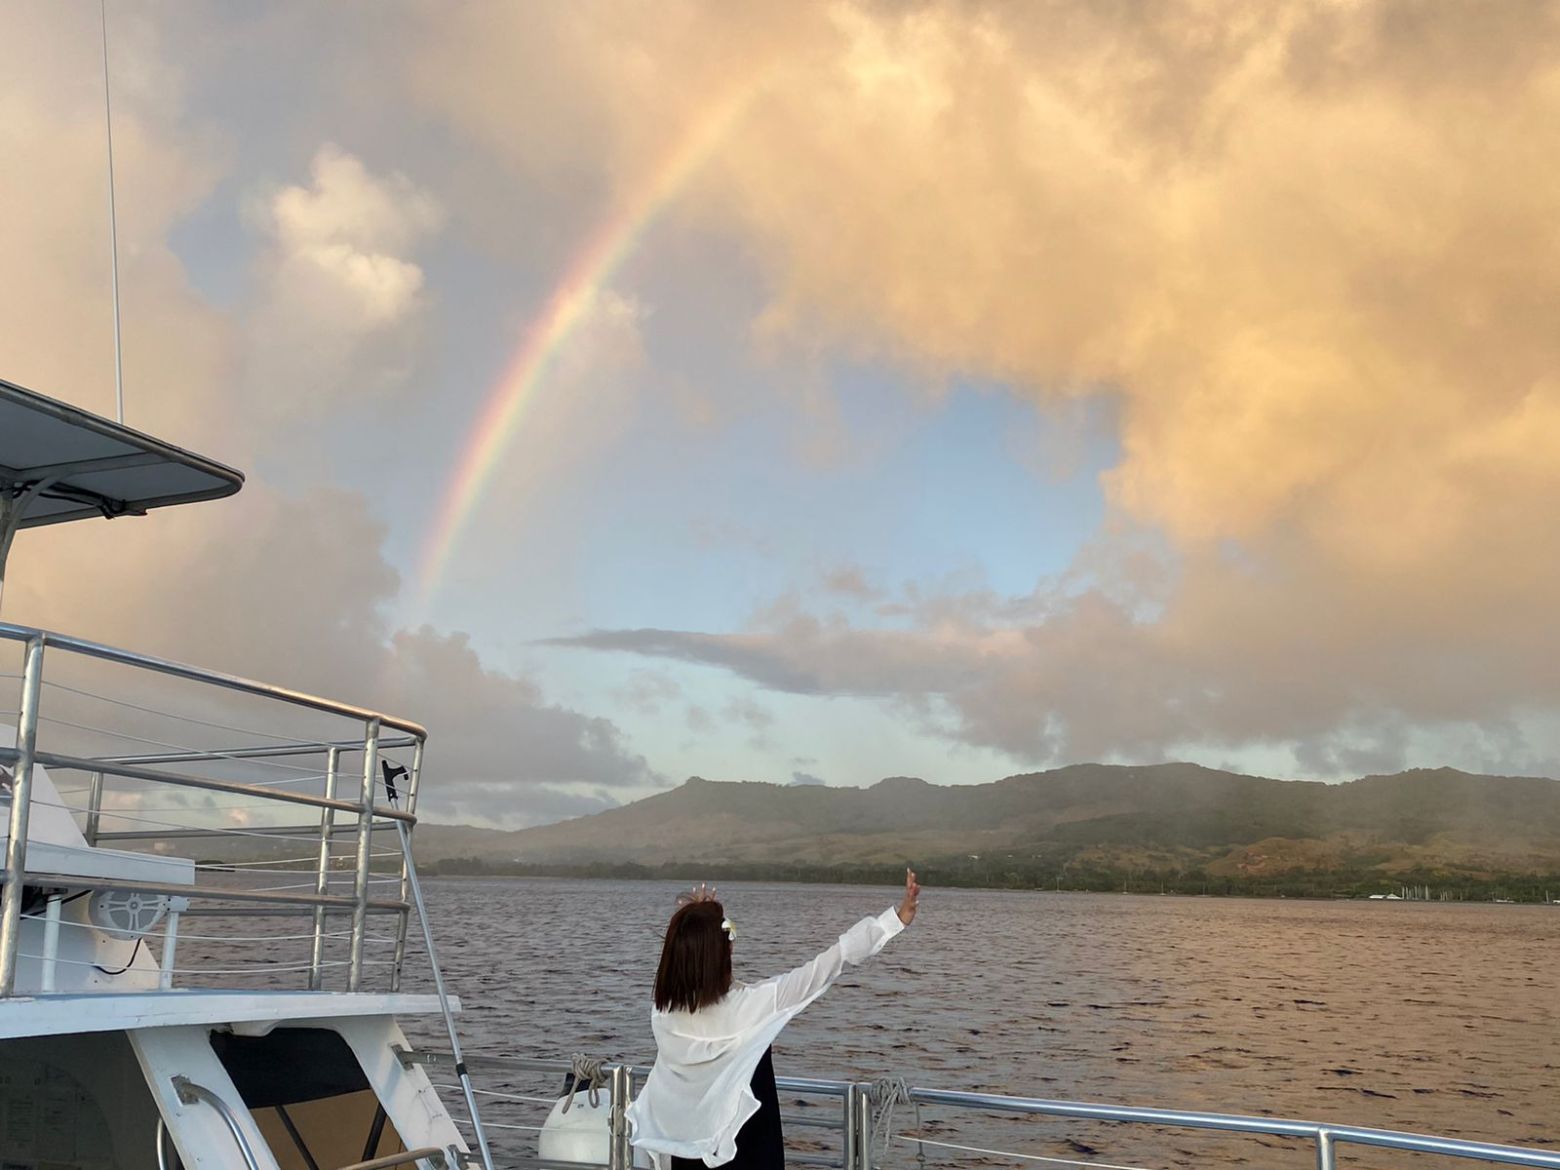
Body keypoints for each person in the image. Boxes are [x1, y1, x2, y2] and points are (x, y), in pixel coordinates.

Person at [627, 869, 921, 1170]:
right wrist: (895, 920)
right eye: (728, 934)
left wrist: (698, 921)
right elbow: (833, 961)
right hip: (749, 1152)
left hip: (688, 1152)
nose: (732, 941)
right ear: (720, 952)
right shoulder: (757, 1004)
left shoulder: (663, 1015)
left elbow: (698, 986)